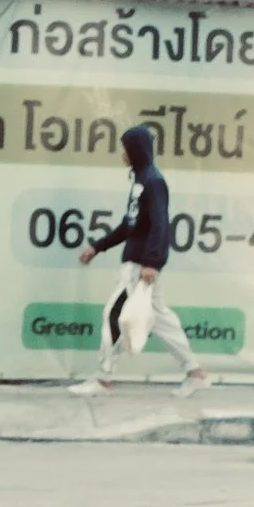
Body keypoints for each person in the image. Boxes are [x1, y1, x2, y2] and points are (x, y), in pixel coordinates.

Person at [80, 123, 198, 388]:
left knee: (113, 313)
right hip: (137, 261)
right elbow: (130, 224)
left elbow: (160, 223)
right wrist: (98, 247)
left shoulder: (153, 182)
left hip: (140, 265)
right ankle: (195, 371)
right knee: (161, 318)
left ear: (135, 150)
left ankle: (103, 379)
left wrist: (152, 263)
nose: (122, 154)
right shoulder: (140, 180)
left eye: (125, 149)